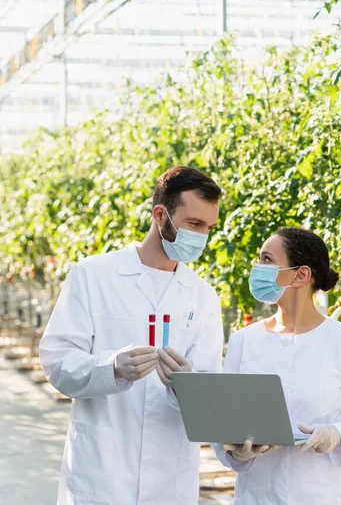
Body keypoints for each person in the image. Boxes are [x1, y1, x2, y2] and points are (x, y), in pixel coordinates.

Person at [39, 166, 224, 505]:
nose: (202, 237)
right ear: (160, 214)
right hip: (103, 474)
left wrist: (188, 384)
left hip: (170, 478)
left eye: (208, 228)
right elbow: (57, 360)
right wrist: (110, 368)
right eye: (194, 224)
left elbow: (210, 388)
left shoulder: (203, 296)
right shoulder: (93, 276)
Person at [213, 227, 341, 505]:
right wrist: (235, 452)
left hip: (324, 495)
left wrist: (336, 435)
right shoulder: (243, 340)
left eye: (267, 259)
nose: (258, 268)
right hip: (258, 496)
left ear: (301, 275)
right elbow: (224, 421)